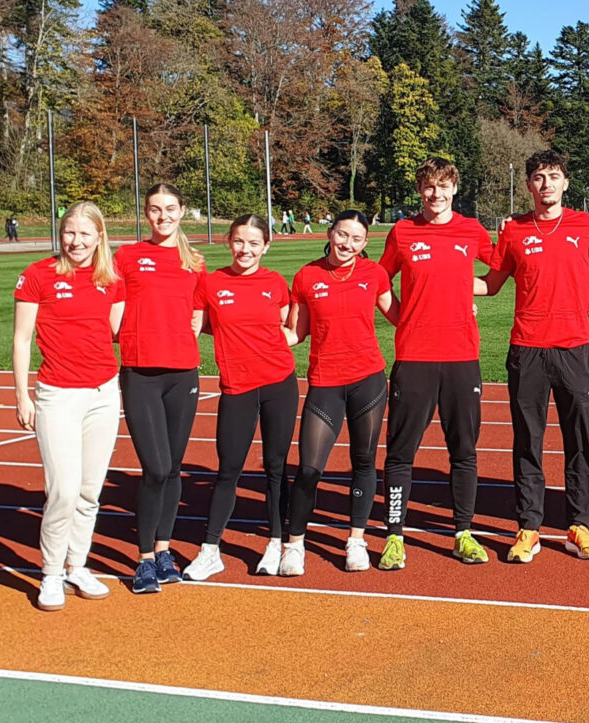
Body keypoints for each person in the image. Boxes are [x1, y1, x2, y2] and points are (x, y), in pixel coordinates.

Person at [475, 150, 589, 562]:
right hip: (527, 350)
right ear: (529, 185)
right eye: (539, 177)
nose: (547, 184)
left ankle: (579, 526)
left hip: (574, 349)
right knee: (528, 442)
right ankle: (528, 528)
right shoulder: (514, 231)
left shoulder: (583, 224)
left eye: (554, 176)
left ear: (566, 183)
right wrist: (443, 285)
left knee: (579, 442)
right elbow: (490, 284)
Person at [377, 157, 493, 570]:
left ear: (454, 190)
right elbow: (379, 282)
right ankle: (394, 535)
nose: (436, 194)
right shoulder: (403, 232)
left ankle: (463, 531)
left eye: (443, 186)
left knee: (463, 451)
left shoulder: (472, 230)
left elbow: (501, 273)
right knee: (400, 453)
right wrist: (401, 316)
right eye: (428, 187)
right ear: (420, 190)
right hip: (414, 358)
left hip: (463, 358)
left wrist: (467, 292)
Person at [12, 202, 125, 610]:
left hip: (103, 394)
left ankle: (78, 565)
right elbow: (22, 339)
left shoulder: (111, 278)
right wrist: (23, 394)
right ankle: (52, 572)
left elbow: (116, 330)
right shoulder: (37, 275)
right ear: (61, 235)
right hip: (57, 395)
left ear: (99, 237)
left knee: (90, 491)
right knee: (62, 490)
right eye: (69, 233)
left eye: (84, 234)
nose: (76, 242)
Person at [182, 214, 299, 581]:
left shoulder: (276, 283)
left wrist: (262, 346)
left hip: (279, 383)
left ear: (266, 246)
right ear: (228, 242)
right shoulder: (211, 283)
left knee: (275, 469)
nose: (245, 249)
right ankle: (211, 550)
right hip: (237, 388)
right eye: (238, 241)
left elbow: (290, 330)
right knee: (228, 470)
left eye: (253, 243)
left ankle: (275, 544)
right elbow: (193, 326)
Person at [281, 210, 399, 574]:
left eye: (356, 239)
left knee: (363, 462)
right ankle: (294, 545)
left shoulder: (374, 274)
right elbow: (294, 333)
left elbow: (402, 316)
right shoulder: (306, 276)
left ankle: (355, 540)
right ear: (330, 233)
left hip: (368, 380)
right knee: (309, 469)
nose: (347, 244)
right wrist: (245, 330)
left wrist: (453, 307)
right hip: (325, 383)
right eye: (342, 235)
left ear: (365, 243)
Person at [114, 183, 205, 593]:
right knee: (154, 468)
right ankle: (144, 558)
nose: (163, 216)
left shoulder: (194, 262)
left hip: (182, 373)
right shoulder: (128, 256)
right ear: (146, 213)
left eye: (170, 209)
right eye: (155, 209)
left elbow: (199, 313)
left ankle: (165, 550)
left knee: (173, 468)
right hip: (141, 373)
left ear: (182, 211)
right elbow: (109, 307)